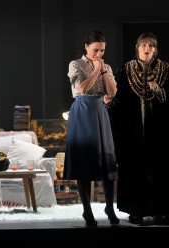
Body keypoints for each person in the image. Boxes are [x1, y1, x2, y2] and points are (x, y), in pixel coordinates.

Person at [110, 33, 169, 224]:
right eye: (144, 45)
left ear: (155, 49)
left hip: (159, 130)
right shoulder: (126, 70)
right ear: (137, 47)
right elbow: (117, 99)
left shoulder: (165, 69)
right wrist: (110, 102)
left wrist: (158, 90)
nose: (147, 49)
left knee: (159, 168)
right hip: (132, 131)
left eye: (151, 46)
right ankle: (136, 209)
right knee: (135, 168)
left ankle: (162, 209)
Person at [63, 31, 119, 226]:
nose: (99, 54)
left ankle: (110, 208)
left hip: (100, 112)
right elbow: (82, 89)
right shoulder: (75, 64)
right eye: (96, 50)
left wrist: (103, 71)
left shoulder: (106, 66)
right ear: (86, 47)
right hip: (82, 111)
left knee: (106, 160)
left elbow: (112, 92)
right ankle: (87, 210)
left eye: (102, 50)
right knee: (84, 160)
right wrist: (95, 70)